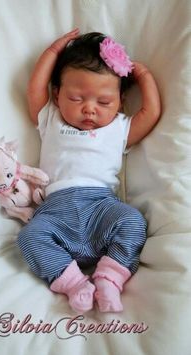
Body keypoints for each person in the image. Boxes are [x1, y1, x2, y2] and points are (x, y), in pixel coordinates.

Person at [17, 29, 161, 313]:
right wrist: (53, 52)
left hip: (101, 208)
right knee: (29, 237)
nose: (90, 110)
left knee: (132, 221)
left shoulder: (119, 128)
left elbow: (151, 113)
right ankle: (73, 283)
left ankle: (110, 277)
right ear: (57, 95)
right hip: (55, 212)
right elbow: (35, 89)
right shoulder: (51, 119)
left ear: (120, 101)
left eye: (104, 102)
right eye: (76, 98)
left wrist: (143, 75)